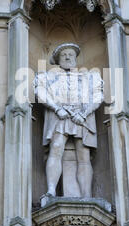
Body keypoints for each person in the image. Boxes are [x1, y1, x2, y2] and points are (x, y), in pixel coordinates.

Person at [34, 43, 103, 198]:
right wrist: (57, 108)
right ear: (58, 59)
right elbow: (40, 92)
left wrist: (84, 114)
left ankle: (86, 195)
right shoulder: (47, 76)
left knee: (83, 155)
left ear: (75, 58)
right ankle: (51, 190)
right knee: (56, 148)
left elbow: (98, 96)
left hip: (82, 117)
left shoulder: (90, 76)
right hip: (60, 116)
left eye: (71, 54)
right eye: (64, 54)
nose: (67, 57)